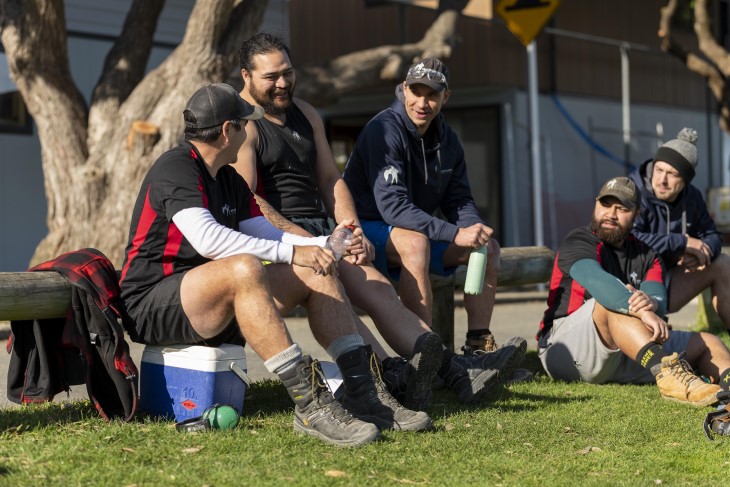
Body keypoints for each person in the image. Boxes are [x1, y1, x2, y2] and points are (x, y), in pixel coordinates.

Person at [119, 83, 432, 447]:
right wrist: (294, 253)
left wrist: (330, 244)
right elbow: (209, 241)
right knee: (245, 268)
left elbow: (273, 236)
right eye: (244, 123)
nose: (249, 129)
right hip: (151, 302)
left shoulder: (227, 177)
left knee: (317, 267)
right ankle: (310, 405)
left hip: (205, 295)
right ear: (227, 130)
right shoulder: (176, 167)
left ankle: (364, 392)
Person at [233, 33, 527, 408]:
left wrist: (350, 229)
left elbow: (330, 179)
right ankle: (418, 372)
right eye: (271, 76)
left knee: (379, 291)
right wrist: (307, 242)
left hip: (327, 230)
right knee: (335, 286)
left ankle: (442, 369)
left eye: (288, 73)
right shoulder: (245, 125)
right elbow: (248, 199)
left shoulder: (305, 113)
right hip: (280, 241)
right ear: (246, 75)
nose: (283, 83)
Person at [343, 56, 523, 360]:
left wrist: (472, 229)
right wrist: (454, 232)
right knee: (416, 244)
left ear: (446, 97)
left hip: (413, 232)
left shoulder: (448, 139)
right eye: (416, 91)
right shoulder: (383, 129)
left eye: (432, 94)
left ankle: (478, 346)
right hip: (365, 230)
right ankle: (424, 355)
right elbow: (392, 208)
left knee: (488, 248)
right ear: (403, 89)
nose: (422, 102)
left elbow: (459, 200)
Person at [538, 176, 730, 405]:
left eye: (622, 208)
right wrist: (640, 309)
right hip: (566, 348)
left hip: (624, 347)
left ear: (637, 214)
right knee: (608, 304)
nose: (611, 213)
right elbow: (600, 284)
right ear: (596, 204)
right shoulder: (579, 240)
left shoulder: (646, 254)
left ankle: (726, 389)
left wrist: (649, 304)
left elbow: (658, 300)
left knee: (708, 342)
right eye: (605, 205)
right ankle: (669, 375)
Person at [629, 128, 730, 331]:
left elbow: (712, 235)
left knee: (721, 263)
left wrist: (702, 252)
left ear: (685, 180)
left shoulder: (692, 198)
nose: (662, 180)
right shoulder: (633, 192)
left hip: (668, 281)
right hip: (632, 285)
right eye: (659, 170)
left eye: (672, 174)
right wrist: (682, 242)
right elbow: (629, 240)